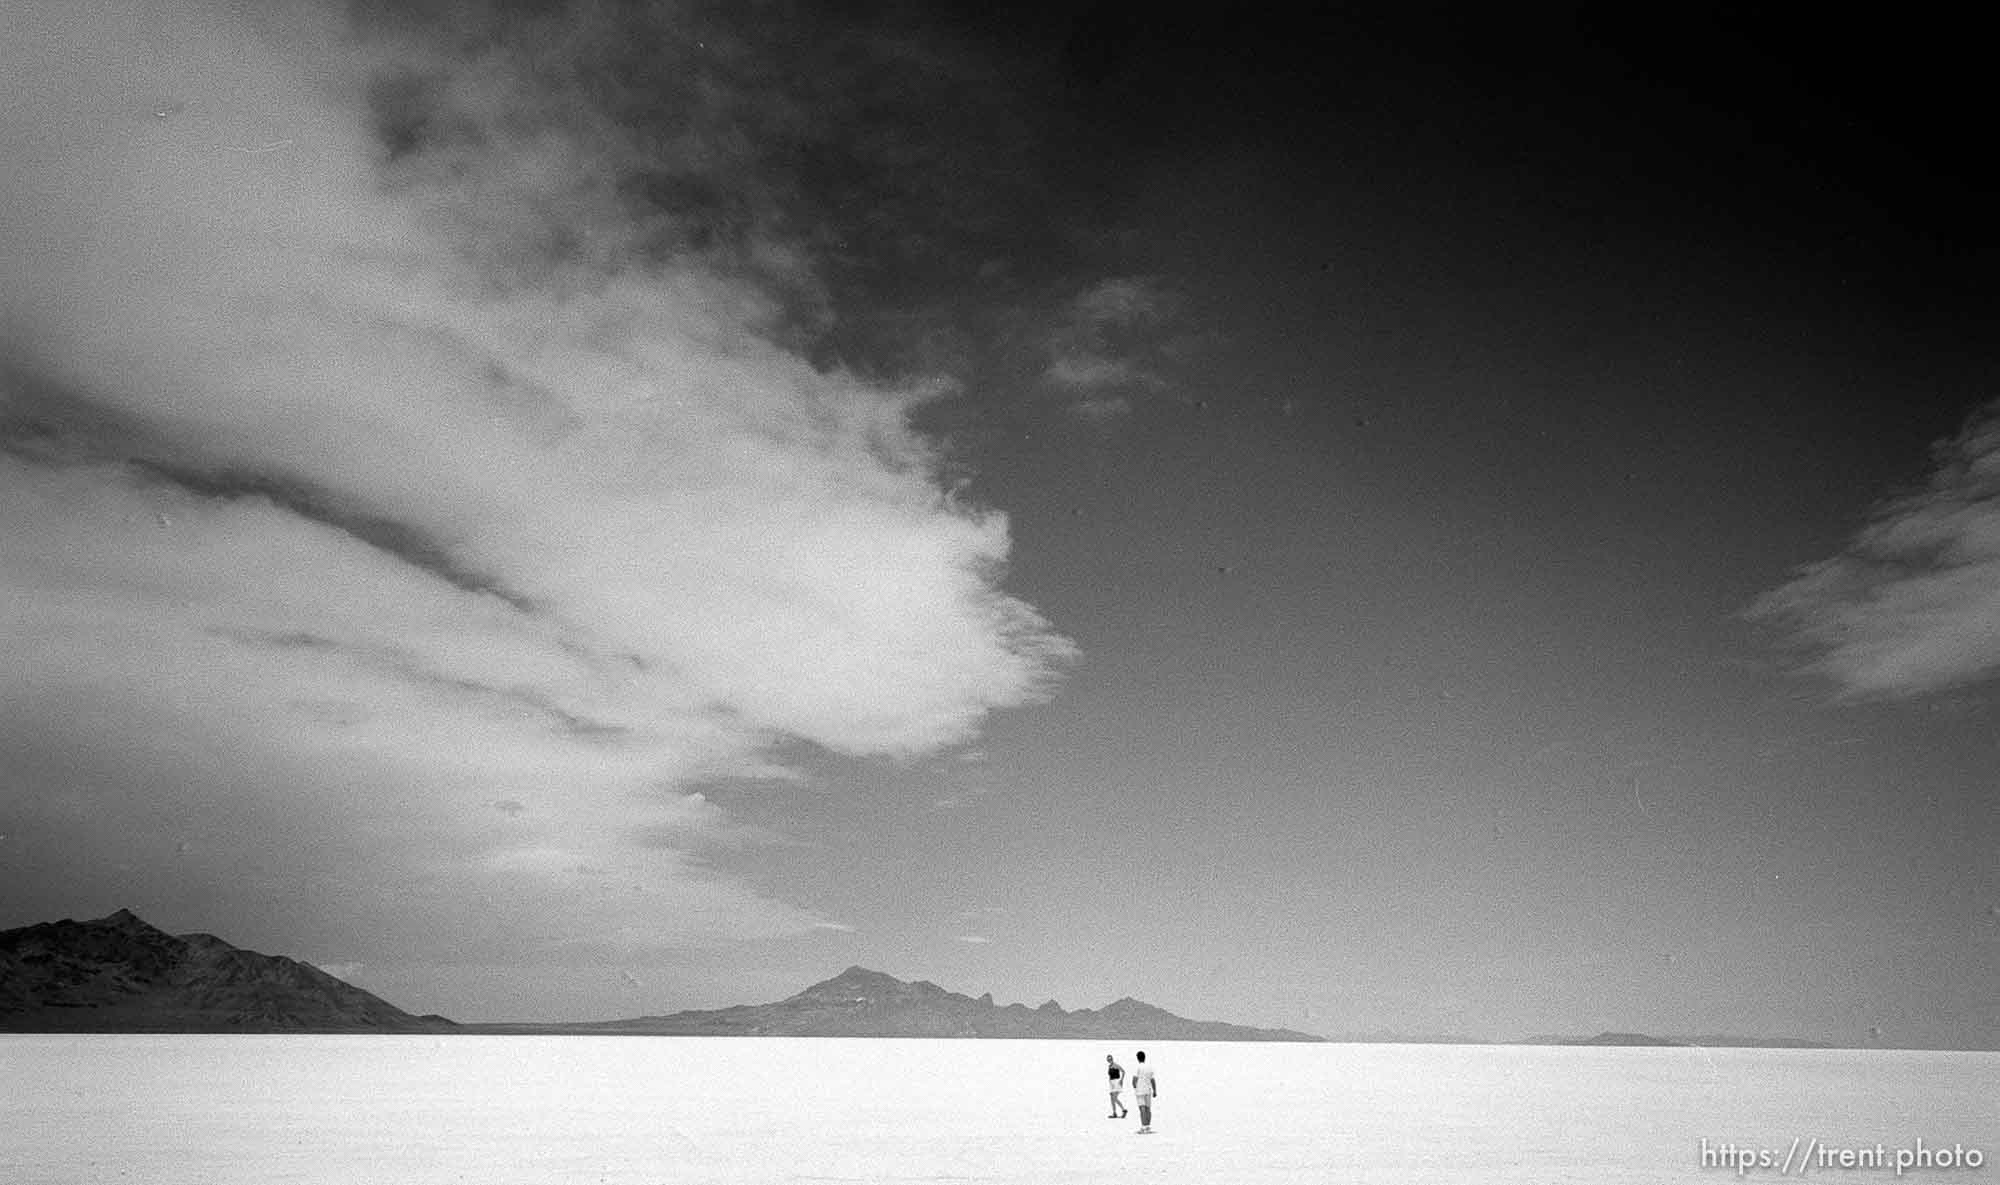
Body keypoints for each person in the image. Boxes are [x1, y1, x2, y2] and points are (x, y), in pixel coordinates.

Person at [1130, 1050, 1158, 1133]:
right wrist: (1155, 1090)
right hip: (1148, 1090)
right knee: (1148, 1109)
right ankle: (1148, 1126)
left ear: (1138, 1058)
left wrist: (1135, 1087)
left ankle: (1143, 1127)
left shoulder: (1138, 1067)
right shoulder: (1149, 1067)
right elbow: (1152, 1079)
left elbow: (1134, 1080)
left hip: (1140, 1090)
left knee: (1142, 1108)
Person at [1105, 1053, 1128, 1118]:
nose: (1109, 1060)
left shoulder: (1116, 1065)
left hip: (1117, 1082)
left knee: (1114, 1098)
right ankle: (1114, 1113)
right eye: (1108, 1059)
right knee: (1112, 1099)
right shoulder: (1109, 1066)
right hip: (1111, 1083)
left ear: (1112, 1059)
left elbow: (1123, 1071)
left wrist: (1121, 1080)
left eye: (1110, 1059)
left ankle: (1124, 1110)